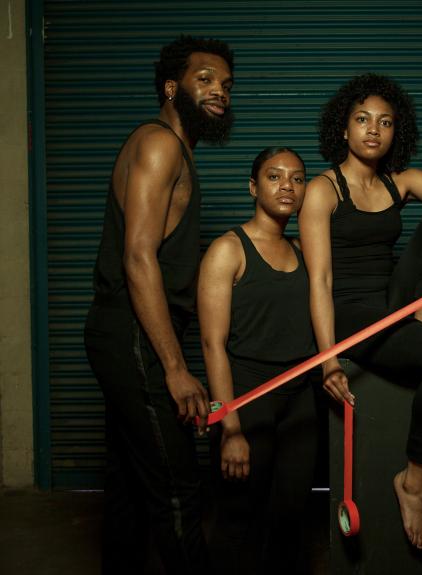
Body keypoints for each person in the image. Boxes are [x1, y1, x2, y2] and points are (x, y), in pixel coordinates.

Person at [299, 72, 422, 550]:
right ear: (344, 128)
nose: (373, 130)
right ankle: (414, 479)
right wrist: (327, 358)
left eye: (384, 122)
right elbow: (318, 281)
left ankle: (420, 327)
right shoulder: (322, 190)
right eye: (362, 120)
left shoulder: (399, 182)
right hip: (347, 315)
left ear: (394, 132)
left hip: (392, 306)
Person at [83, 35, 234, 573]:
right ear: (172, 87)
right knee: (177, 487)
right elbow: (139, 259)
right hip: (133, 333)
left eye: (226, 85)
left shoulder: (177, 150)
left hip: (127, 332)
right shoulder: (159, 144)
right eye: (206, 80)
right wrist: (174, 367)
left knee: (128, 480)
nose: (220, 91)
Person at [197, 147, 318, 574]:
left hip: (301, 399)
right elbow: (213, 345)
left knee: (290, 517)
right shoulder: (228, 250)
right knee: (237, 518)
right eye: (274, 176)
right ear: (253, 186)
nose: (287, 185)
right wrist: (229, 425)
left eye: (298, 178)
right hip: (248, 397)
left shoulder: (305, 249)